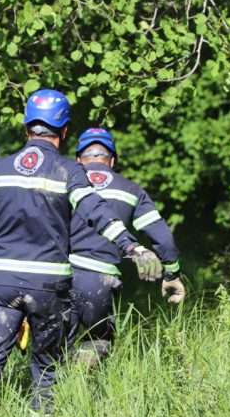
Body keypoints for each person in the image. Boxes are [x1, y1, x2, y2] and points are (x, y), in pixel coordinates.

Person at [0, 90, 162, 417]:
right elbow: (97, 213)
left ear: (26, 128)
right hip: (48, 287)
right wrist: (133, 247)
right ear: (64, 131)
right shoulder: (69, 171)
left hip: (1, 284)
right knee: (47, 367)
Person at [68, 127, 184, 367]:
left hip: (59, 277)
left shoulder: (63, 183)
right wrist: (171, 272)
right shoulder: (131, 190)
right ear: (112, 159)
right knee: (98, 340)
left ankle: (56, 392)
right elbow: (162, 237)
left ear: (79, 159)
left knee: (54, 348)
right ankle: (80, 385)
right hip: (100, 281)